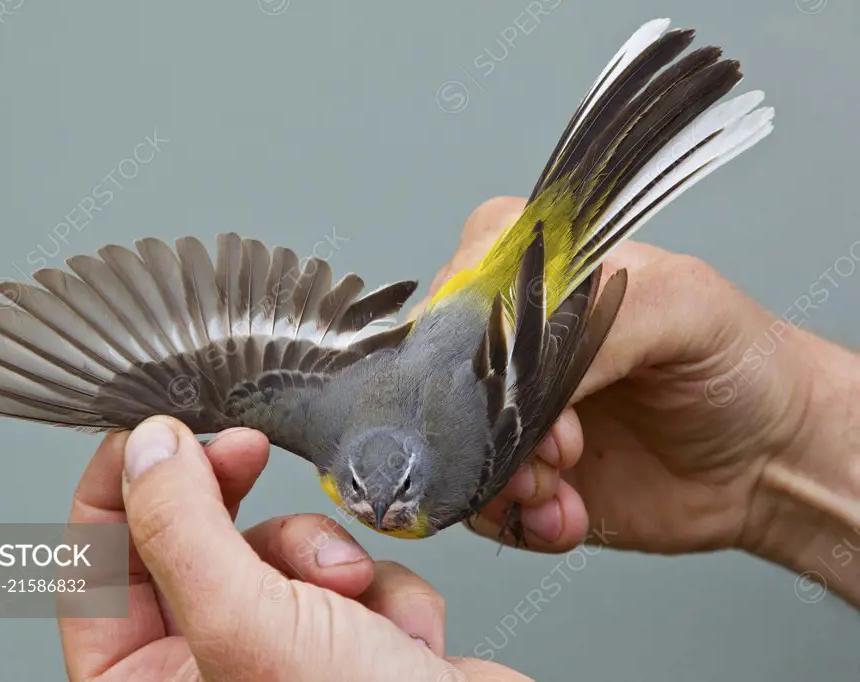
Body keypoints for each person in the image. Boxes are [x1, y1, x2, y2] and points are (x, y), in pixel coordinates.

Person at [57, 196, 860, 681]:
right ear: (341, 471)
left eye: (399, 497)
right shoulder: (333, 451)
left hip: (495, 322)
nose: (379, 517)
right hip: (479, 323)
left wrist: (784, 445)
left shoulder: (452, 485)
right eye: (368, 500)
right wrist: (772, 461)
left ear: (420, 477)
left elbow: (522, 396)